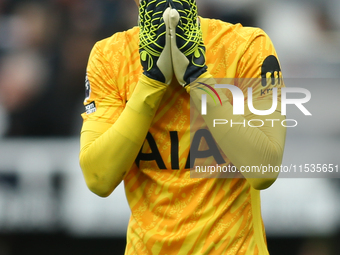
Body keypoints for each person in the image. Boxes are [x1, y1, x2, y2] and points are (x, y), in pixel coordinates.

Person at [79, 0, 286, 254]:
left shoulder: (247, 46)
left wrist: (198, 79)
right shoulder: (110, 56)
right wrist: (152, 83)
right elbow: (98, 178)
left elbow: (264, 169)